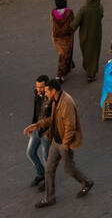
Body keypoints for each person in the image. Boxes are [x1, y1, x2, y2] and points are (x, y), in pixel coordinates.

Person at [26, 79, 94, 208]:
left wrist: (65, 145)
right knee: (49, 170)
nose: (45, 93)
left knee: (69, 169)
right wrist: (37, 125)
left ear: (54, 91)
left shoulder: (66, 103)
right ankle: (49, 198)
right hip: (56, 142)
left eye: (47, 91)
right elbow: (53, 119)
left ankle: (87, 182)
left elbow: (71, 127)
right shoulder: (56, 100)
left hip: (63, 143)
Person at [69, 0, 103, 82]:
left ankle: (90, 73)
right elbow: (101, 16)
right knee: (95, 53)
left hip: (85, 36)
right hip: (96, 35)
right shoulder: (100, 8)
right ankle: (91, 71)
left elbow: (75, 24)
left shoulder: (84, 9)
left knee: (87, 53)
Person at [24, 75, 51, 189]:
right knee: (30, 153)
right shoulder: (37, 94)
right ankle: (41, 174)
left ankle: (48, 181)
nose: (38, 89)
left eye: (41, 87)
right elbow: (36, 111)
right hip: (36, 128)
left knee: (46, 157)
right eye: (37, 86)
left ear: (47, 86)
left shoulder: (51, 97)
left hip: (46, 132)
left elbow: (51, 119)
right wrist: (32, 125)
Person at [50, 0, 76, 82]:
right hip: (67, 37)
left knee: (62, 54)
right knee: (65, 54)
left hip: (57, 37)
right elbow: (73, 23)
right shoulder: (69, 13)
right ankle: (60, 74)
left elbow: (52, 22)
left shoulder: (53, 13)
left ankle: (64, 70)